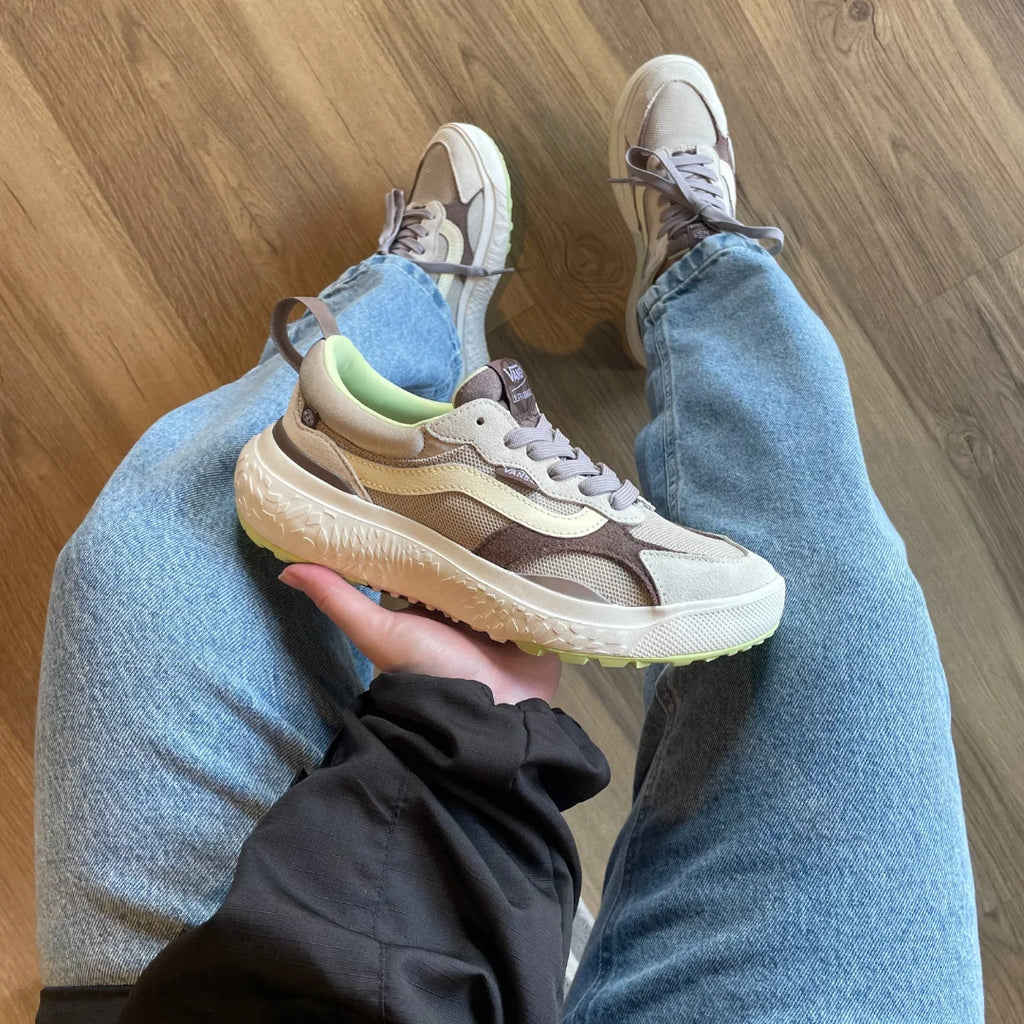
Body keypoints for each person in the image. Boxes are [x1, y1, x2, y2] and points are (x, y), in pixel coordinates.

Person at [34, 55, 983, 1023]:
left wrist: (462, 734)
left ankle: (413, 299)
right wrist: (467, 741)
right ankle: (702, 267)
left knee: (144, 549)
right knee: (838, 607)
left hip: (192, 993)